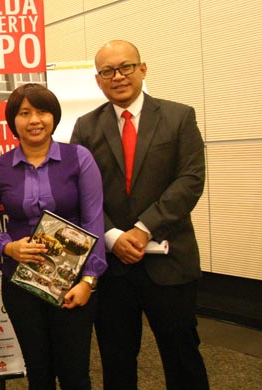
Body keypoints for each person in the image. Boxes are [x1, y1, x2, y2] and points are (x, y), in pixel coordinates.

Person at [70, 40, 209, 389]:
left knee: (182, 357)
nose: (117, 76)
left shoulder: (179, 116)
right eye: (107, 71)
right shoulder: (86, 127)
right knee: (116, 360)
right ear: (99, 81)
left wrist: (145, 228)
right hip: (112, 265)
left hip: (169, 260)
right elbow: (80, 193)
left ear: (142, 69)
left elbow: (190, 180)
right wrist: (113, 236)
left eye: (125, 67)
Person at [0, 83, 107, 389]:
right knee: (39, 373)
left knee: (75, 374)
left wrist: (89, 280)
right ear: (13, 121)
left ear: (54, 117)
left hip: (72, 284)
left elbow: (94, 221)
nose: (34, 120)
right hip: (22, 285)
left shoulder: (79, 158)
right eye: (24, 113)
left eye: (42, 111)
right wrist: (8, 247)